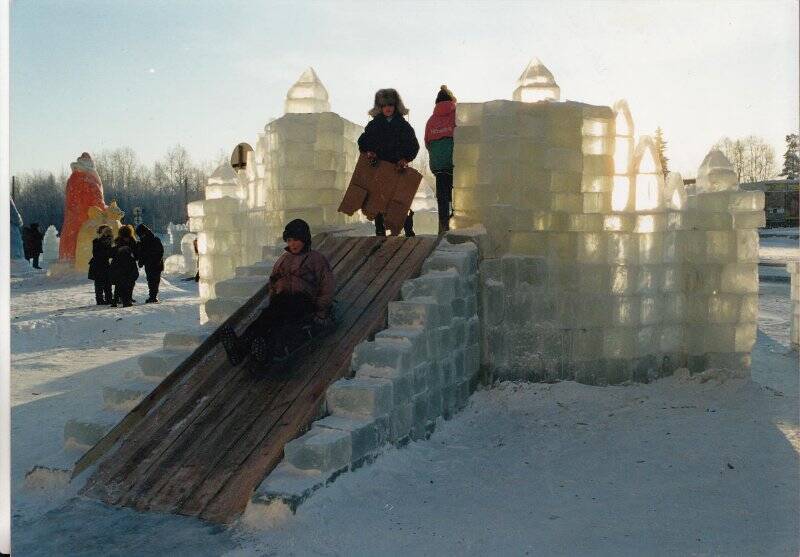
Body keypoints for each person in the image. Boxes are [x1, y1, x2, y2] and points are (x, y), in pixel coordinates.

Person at [220, 219, 335, 366]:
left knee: (283, 324)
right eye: (289, 240)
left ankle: (265, 350)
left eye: (296, 240)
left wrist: (321, 310)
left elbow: (327, 285)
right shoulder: (283, 260)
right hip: (283, 299)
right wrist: (274, 298)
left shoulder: (315, 259)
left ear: (305, 239)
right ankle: (240, 347)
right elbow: (273, 281)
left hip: (304, 301)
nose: (292, 244)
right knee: (265, 318)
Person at [357, 88, 420, 237]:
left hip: (398, 168)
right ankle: (380, 228)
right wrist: (368, 152)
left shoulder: (403, 125)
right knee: (378, 199)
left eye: (391, 104)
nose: (388, 108)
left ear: (396, 106)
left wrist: (405, 158)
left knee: (399, 201)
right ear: (379, 107)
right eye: (384, 105)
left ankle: (407, 226)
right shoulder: (374, 125)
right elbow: (363, 142)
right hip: (379, 167)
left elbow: (413, 146)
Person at [424, 85, 457, 234]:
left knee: (442, 197)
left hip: (438, 165)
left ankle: (443, 227)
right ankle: (456, 225)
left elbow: (427, 142)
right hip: (454, 162)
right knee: (458, 195)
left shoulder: (431, 120)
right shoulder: (456, 114)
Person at [109, 225, 139, 307]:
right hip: (129, 265)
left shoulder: (117, 242)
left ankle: (116, 300)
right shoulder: (133, 242)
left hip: (118, 265)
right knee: (129, 283)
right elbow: (136, 255)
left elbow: (112, 253)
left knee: (120, 284)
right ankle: (127, 300)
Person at [136, 224, 165, 303]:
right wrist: (141, 261)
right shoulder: (149, 240)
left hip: (154, 264)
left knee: (153, 281)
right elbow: (142, 253)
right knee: (152, 280)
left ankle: (153, 296)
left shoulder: (153, 240)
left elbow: (160, 252)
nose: (140, 236)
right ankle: (153, 296)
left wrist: (143, 261)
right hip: (152, 264)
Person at [88, 225, 114, 305]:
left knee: (107, 282)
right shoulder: (97, 241)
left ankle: (108, 298)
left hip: (103, 264)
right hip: (98, 264)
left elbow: (109, 253)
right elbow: (97, 253)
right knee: (100, 283)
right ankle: (100, 299)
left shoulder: (108, 240)